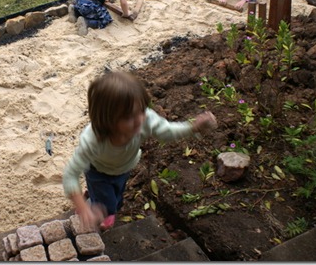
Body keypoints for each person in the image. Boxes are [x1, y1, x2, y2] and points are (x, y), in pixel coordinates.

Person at [62, 71, 218, 231]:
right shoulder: (93, 140)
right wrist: (82, 207)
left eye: (141, 110)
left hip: (124, 168)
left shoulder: (145, 119)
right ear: (107, 120)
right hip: (99, 172)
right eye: (128, 117)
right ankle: (97, 206)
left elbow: (168, 131)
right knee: (108, 206)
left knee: (117, 197)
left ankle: (96, 198)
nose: (139, 120)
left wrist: (193, 127)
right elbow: (70, 175)